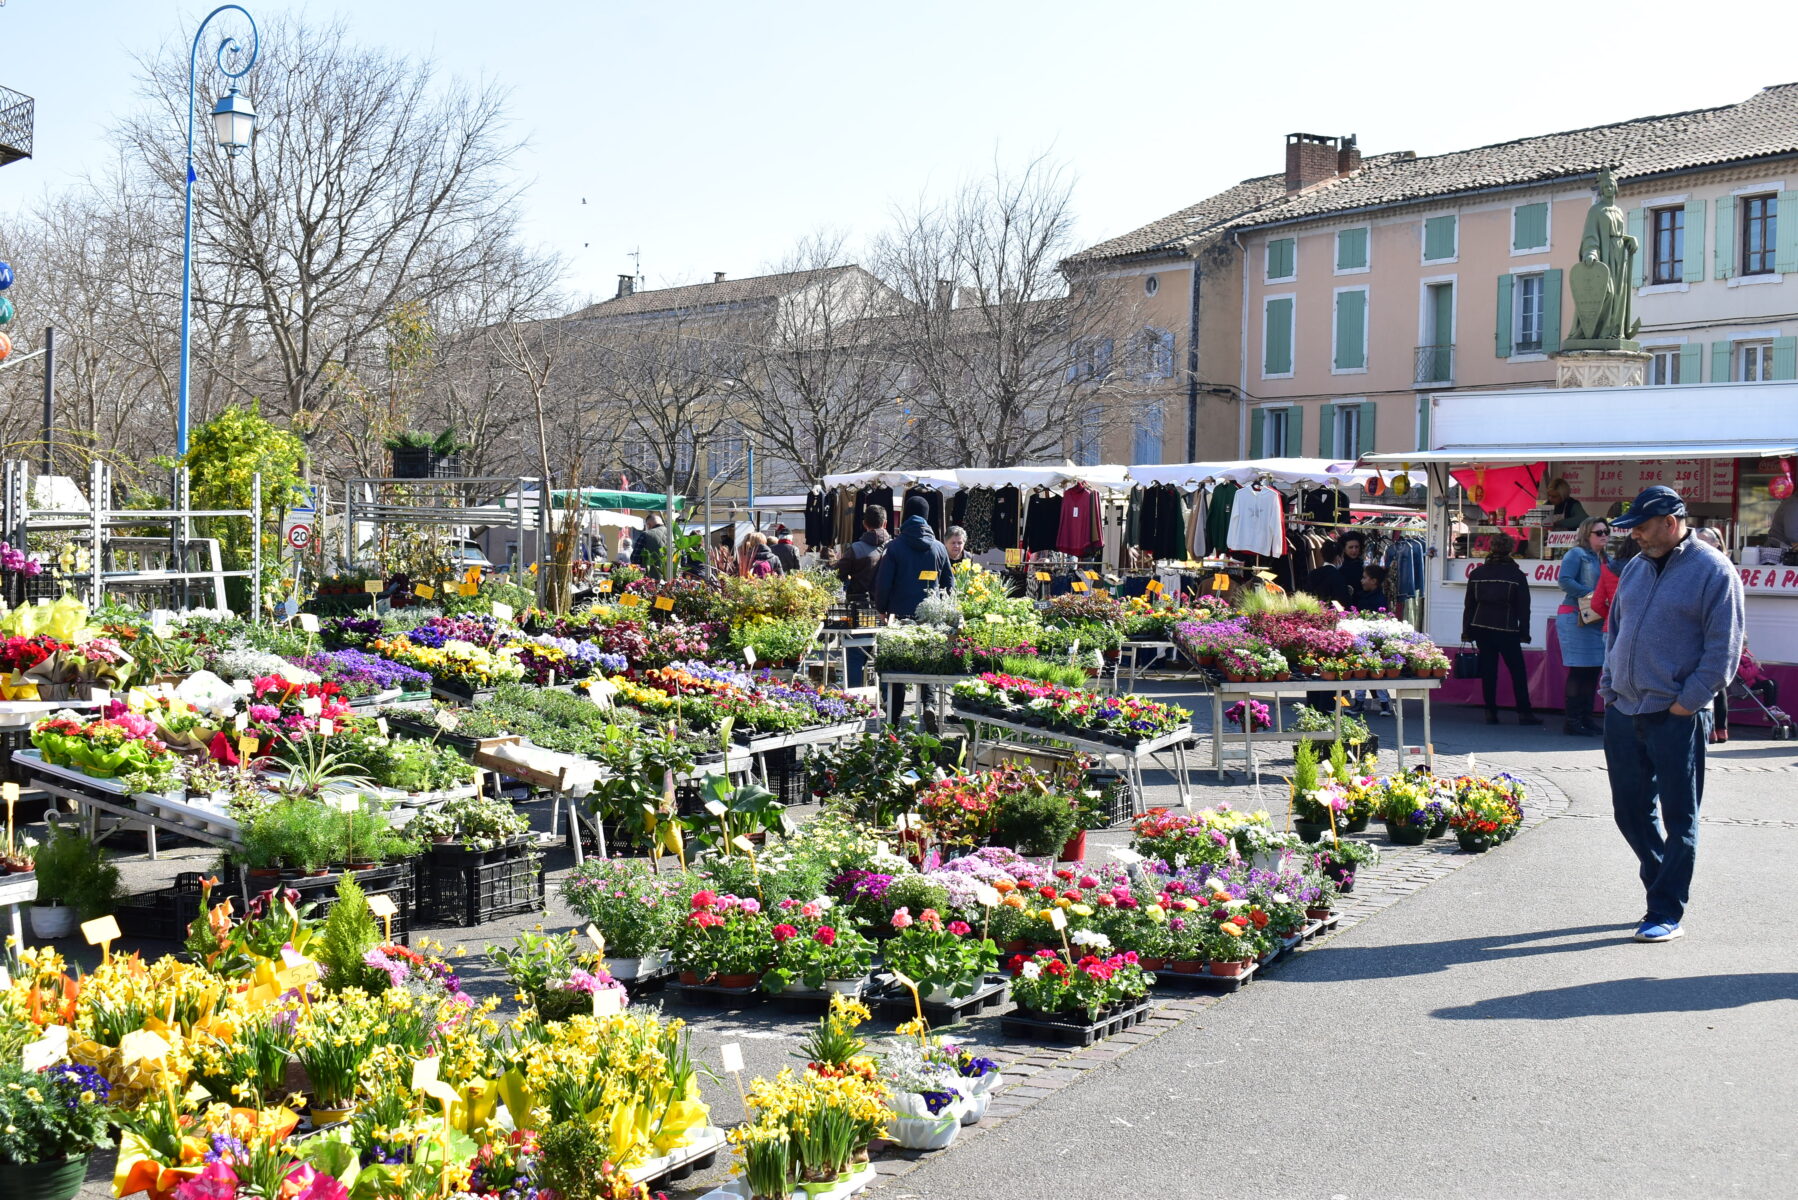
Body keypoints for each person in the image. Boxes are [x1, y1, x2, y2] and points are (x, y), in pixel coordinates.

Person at [1600, 485, 1744, 943]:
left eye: (1642, 527)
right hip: (1624, 708)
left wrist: (1688, 702)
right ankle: (1662, 883)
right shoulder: (1637, 568)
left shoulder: (1714, 570)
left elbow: (1723, 650)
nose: (1636, 536)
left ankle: (1665, 910)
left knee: (1680, 817)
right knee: (1629, 812)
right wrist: (1608, 685)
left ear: (1671, 521)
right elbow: (1615, 631)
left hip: (1676, 713)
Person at [1462, 533, 1540, 726]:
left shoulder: (1477, 573)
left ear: (1491, 548)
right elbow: (1524, 608)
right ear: (1511, 549)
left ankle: (1490, 711)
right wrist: (1525, 632)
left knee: (1489, 670)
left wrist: (1466, 630)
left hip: (1480, 626)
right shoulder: (1516, 575)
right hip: (1507, 628)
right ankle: (1524, 712)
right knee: (1517, 671)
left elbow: (1469, 605)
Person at [1555, 516, 1610, 737]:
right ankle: (1573, 721)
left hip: (1594, 618)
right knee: (1579, 670)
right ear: (1587, 534)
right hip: (1576, 617)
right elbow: (1564, 580)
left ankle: (1586, 718)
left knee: (1593, 669)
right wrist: (1592, 596)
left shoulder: (1605, 558)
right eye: (1599, 532)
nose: (1604, 535)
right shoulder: (1576, 554)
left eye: (1606, 531)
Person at [873, 494, 953, 619]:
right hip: (932, 613)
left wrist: (881, 608)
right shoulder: (940, 548)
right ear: (927, 516)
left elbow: (884, 582)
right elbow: (948, 582)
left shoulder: (893, 547)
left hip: (899, 613)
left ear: (905, 515)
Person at [1349, 564, 1392, 716]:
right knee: (1361, 670)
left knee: (1375, 671)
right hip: (1362, 638)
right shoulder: (1362, 596)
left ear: (1373, 581)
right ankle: (1360, 702)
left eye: (1365, 578)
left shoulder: (1378, 599)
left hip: (1374, 640)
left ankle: (1385, 704)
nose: (1362, 581)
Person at [835, 506, 889, 603]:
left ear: (864, 524)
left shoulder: (856, 549)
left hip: (859, 606)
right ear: (885, 524)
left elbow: (837, 574)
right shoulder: (894, 547)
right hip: (888, 607)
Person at [1303, 539, 1353, 608]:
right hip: (1332, 615)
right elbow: (1343, 603)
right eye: (1342, 556)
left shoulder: (1313, 573)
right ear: (1338, 557)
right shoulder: (1338, 576)